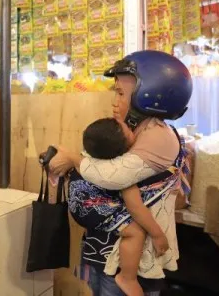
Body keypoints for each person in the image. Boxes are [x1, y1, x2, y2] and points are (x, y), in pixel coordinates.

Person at [49, 50, 192, 296]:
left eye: (121, 93)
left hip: (128, 263)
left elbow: (114, 176)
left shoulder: (157, 135)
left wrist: (72, 158)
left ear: (150, 96)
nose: (114, 101)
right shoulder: (132, 130)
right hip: (106, 250)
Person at [79, 117, 171, 296]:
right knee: (135, 233)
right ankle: (127, 278)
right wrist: (158, 235)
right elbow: (135, 206)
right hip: (114, 262)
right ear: (124, 146)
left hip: (94, 249)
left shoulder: (89, 161)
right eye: (128, 129)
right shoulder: (122, 173)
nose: (132, 129)